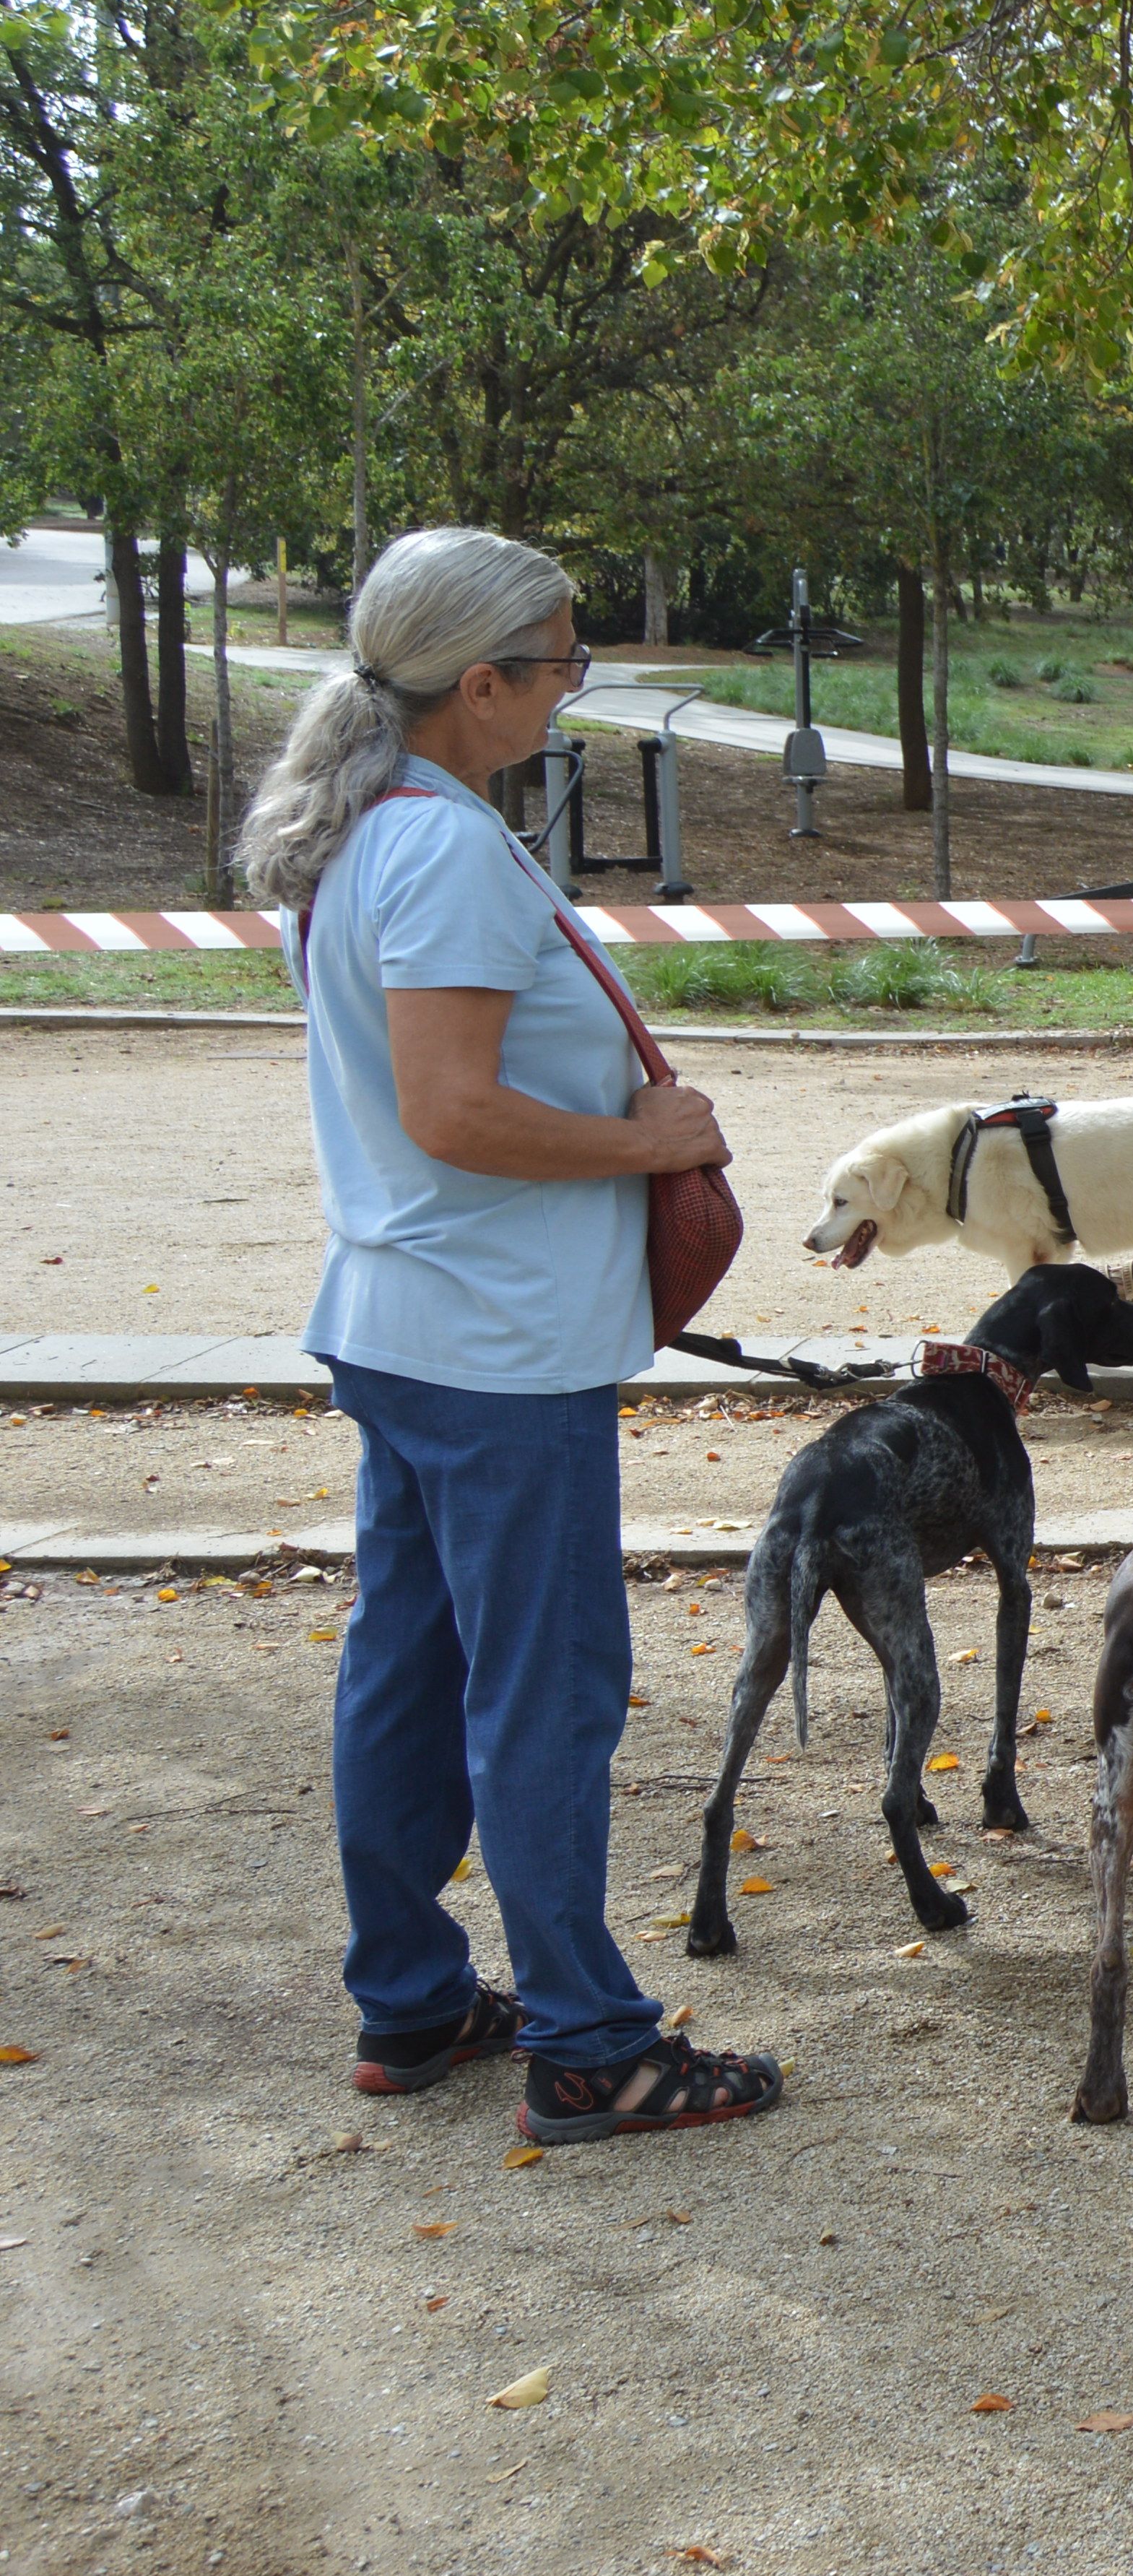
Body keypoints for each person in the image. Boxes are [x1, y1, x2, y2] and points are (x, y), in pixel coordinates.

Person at [238, 526, 783, 2148]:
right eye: (561, 663)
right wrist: (657, 1142)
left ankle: (410, 1995)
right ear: (480, 684)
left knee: (406, 1673)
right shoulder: (452, 851)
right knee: (544, 1692)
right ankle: (590, 2038)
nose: (575, 689)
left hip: (404, 1320)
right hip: (497, 1343)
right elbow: (455, 1108)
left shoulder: (358, 830)